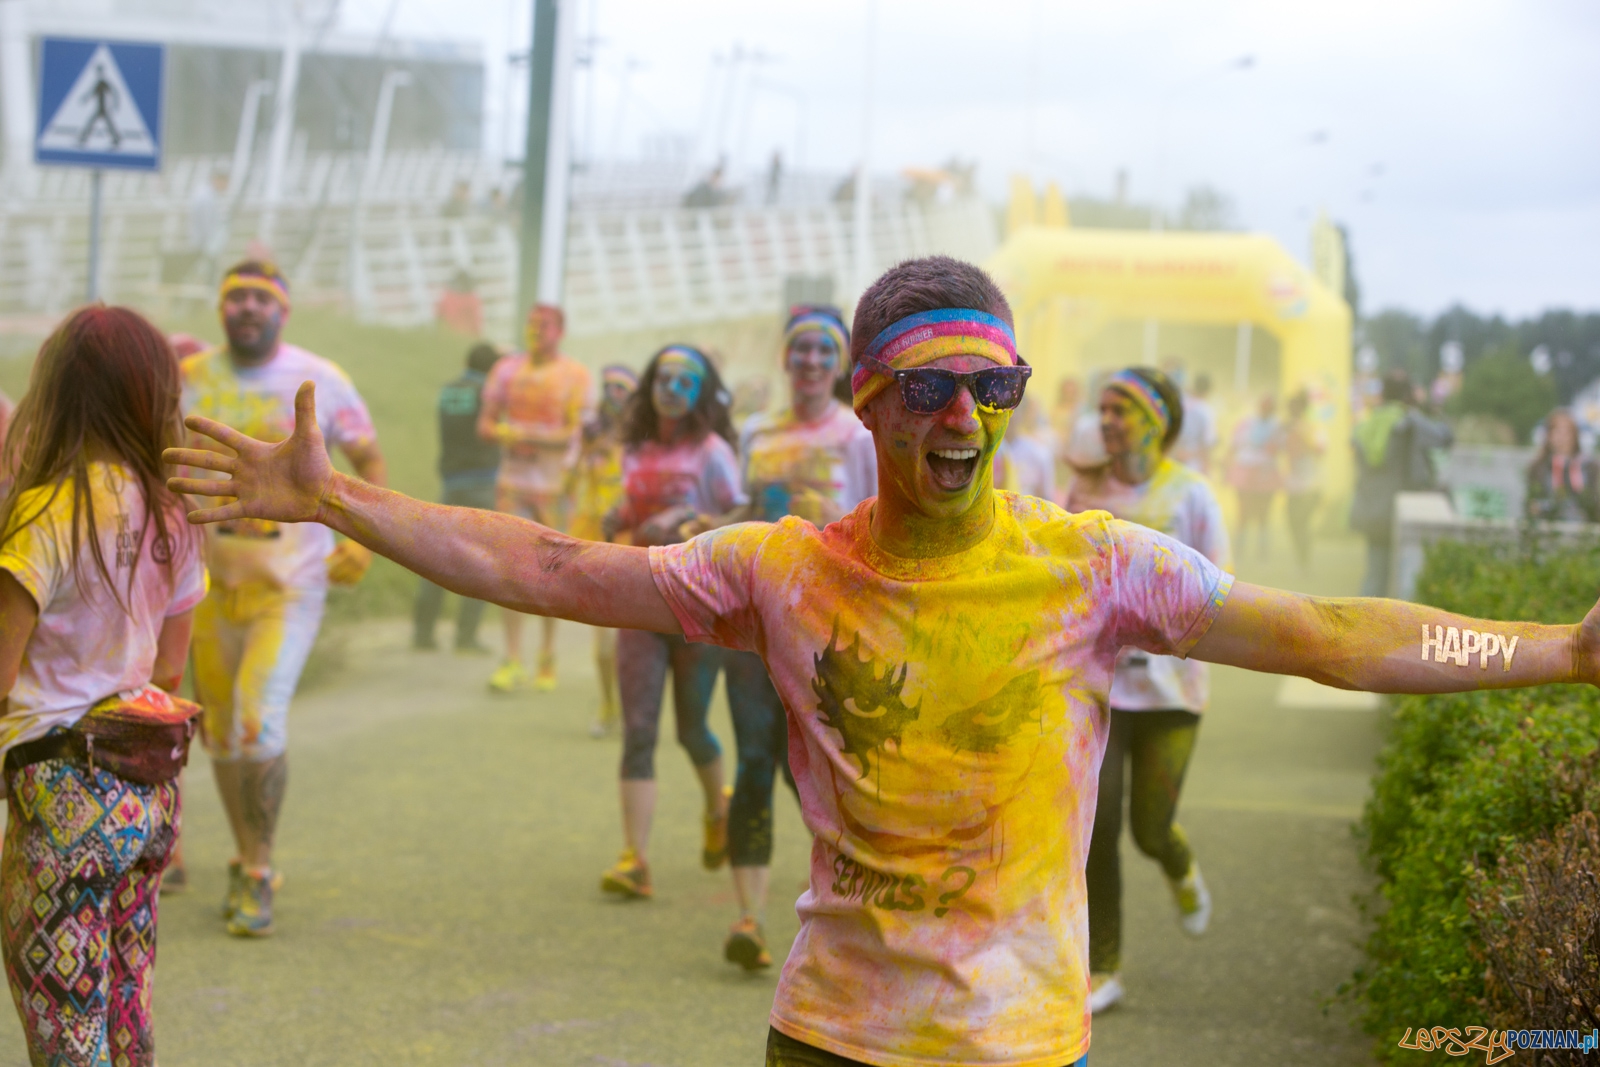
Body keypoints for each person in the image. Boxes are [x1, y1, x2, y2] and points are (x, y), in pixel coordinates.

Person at [171, 253, 1600, 1067]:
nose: (964, 415)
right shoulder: (783, 570)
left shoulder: (1094, 564)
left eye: (993, 385)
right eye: (928, 386)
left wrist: (1558, 647)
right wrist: (345, 497)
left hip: (1019, 1045)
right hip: (826, 1035)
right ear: (867, 399)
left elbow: (1338, 636)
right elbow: (550, 566)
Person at [0, 306, 207, 1066]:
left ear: (55, 393)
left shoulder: (44, 511)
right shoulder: (174, 513)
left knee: (63, 1019)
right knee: (125, 1002)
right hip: (147, 788)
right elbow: (170, 671)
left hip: (61, 788)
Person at [179, 260, 386, 936]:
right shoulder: (190, 380)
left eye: (260, 298)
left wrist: (364, 534)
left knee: (256, 718)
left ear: (283, 311)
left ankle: (261, 868)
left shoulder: (317, 377)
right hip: (205, 586)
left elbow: (368, 455)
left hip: (288, 585)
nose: (246, 307)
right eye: (235, 296)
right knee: (217, 728)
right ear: (219, 308)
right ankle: (243, 855)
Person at [682, 306, 876, 970]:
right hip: (760, 618)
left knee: (832, 768)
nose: (812, 362)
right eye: (801, 351)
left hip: (836, 626)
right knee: (756, 757)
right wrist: (706, 524)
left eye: (825, 351)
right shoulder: (758, 432)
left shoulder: (857, 432)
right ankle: (750, 918)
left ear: (839, 362)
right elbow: (742, 509)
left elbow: (879, 518)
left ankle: (860, 893)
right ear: (786, 360)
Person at [1066, 367, 1230, 1015]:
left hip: (1170, 692)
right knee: (1096, 831)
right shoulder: (1081, 492)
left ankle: (1179, 863)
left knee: (1147, 828)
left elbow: (1220, 591)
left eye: (1121, 409)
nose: (1106, 420)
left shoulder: (1192, 495)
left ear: (1156, 420)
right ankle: (1102, 967)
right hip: (1099, 691)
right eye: (1101, 408)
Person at [596, 346, 744, 899]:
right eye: (664, 378)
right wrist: (622, 518)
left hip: (695, 605)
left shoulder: (712, 452)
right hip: (637, 600)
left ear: (700, 393)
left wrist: (696, 520)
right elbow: (631, 509)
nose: (672, 388)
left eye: (686, 382)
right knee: (638, 732)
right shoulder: (635, 448)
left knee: (690, 729)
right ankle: (636, 858)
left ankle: (717, 808)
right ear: (651, 385)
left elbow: (739, 512)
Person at [477, 304, 592, 693]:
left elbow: (575, 434)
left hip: (555, 487)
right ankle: (511, 657)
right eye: (531, 325)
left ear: (560, 331)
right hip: (512, 483)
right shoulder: (506, 369)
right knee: (509, 565)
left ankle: (547, 651)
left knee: (550, 570)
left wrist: (525, 436)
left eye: (543, 326)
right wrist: (506, 434)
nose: (535, 332)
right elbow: (486, 423)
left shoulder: (575, 375)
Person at [413, 342, 502, 653]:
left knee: (438, 557)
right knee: (478, 560)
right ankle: (465, 638)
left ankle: (422, 633)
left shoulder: (447, 391)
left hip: (451, 482)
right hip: (484, 480)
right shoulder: (489, 396)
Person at [569, 364, 639, 737]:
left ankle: (633, 709)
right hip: (599, 540)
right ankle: (608, 703)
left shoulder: (644, 441)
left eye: (621, 388)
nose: (613, 394)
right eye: (608, 387)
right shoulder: (590, 438)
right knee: (604, 640)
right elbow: (575, 488)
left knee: (631, 638)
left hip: (637, 544)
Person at [1352, 369, 1453, 597]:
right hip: (1400, 509)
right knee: (1402, 584)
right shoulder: (1410, 421)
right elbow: (1445, 437)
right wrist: (1427, 408)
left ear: (1383, 393)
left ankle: (1358, 628)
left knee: (1375, 577)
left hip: (1370, 508)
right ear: (1408, 394)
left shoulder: (1369, 423)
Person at [1226, 392, 1283, 559]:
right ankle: (1240, 549)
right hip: (1246, 471)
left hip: (1265, 472)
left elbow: (1277, 448)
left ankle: (1261, 551)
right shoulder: (1246, 424)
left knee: (1264, 514)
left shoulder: (1276, 426)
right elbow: (1234, 446)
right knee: (1242, 513)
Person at [1525, 408, 1600, 524]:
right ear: (1549, 436)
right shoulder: (1538, 467)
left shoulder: (1589, 466)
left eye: (1567, 432)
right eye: (1558, 432)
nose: (1562, 438)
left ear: (1575, 436)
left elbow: (1593, 502)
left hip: (1583, 529)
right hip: (1548, 528)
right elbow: (1531, 503)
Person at [1282, 389, 1327, 572]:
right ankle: (1301, 561)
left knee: (1302, 523)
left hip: (1312, 485)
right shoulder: (1287, 427)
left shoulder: (1312, 426)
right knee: (1293, 523)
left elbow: (1320, 450)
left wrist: (1301, 431)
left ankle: (1304, 563)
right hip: (1294, 485)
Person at [1171, 371, 1218, 477]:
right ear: (1208, 390)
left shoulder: (1178, 402)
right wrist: (1206, 467)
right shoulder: (1205, 411)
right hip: (1193, 463)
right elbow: (1207, 443)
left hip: (1172, 458)